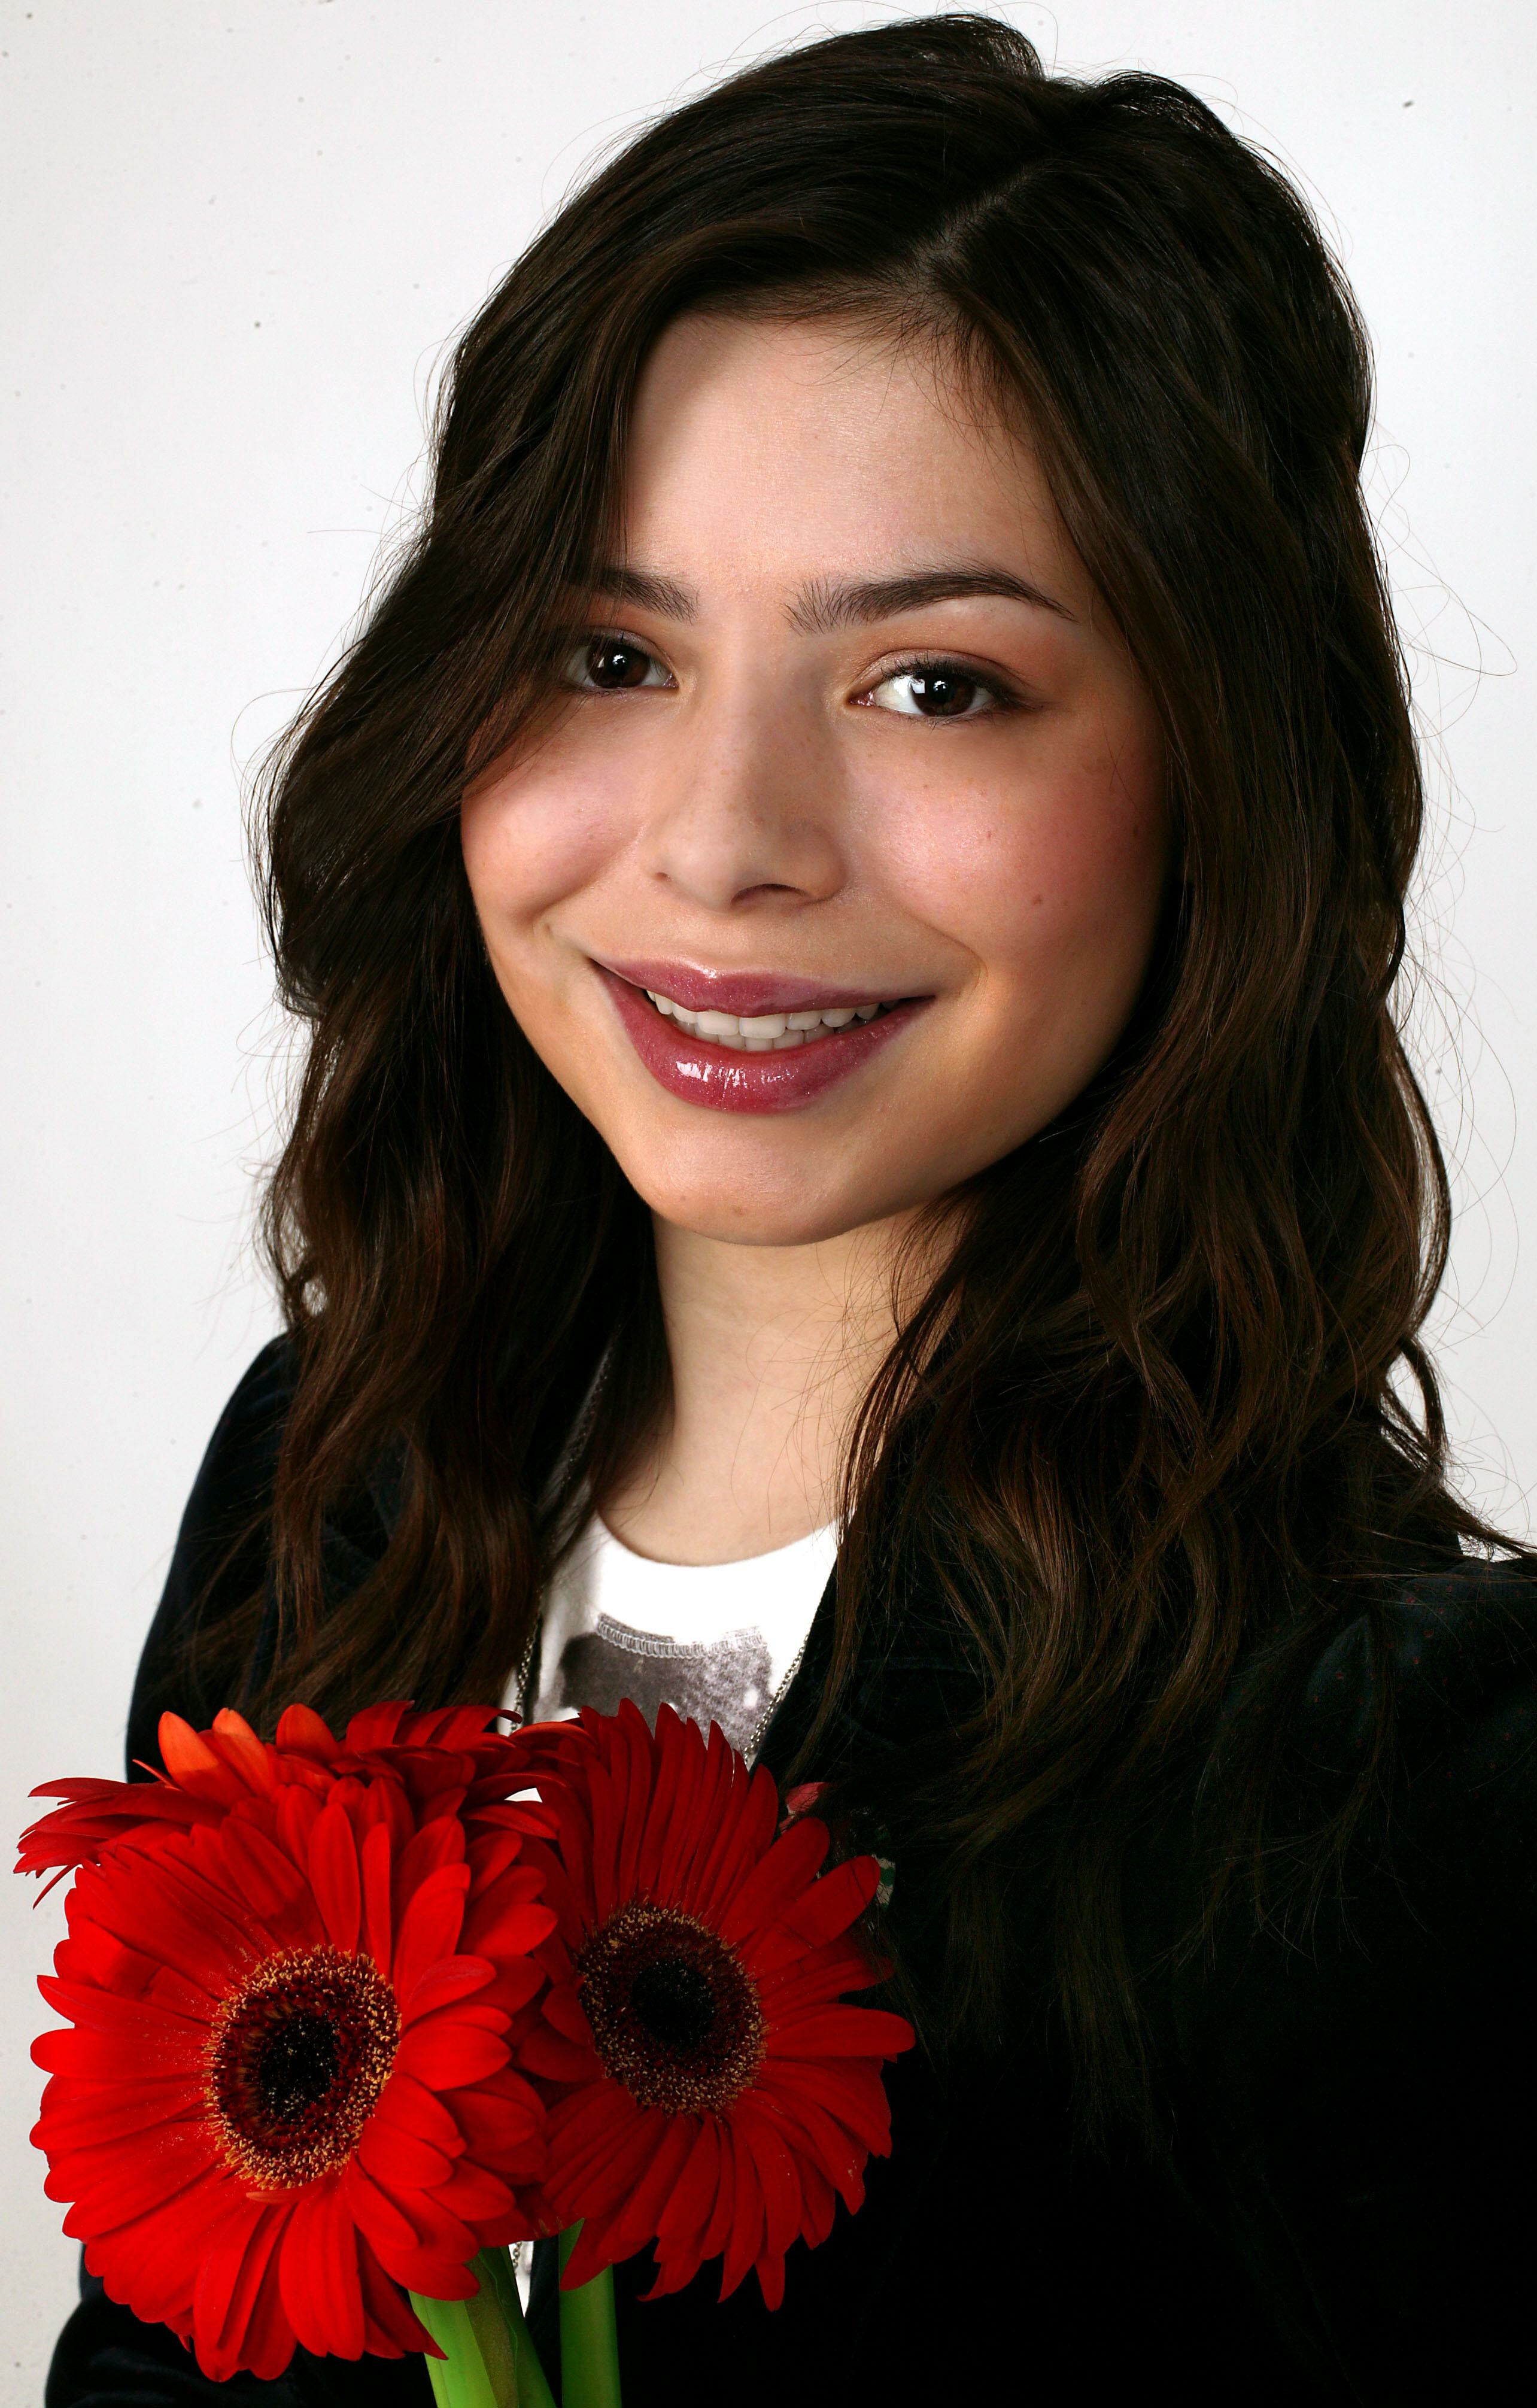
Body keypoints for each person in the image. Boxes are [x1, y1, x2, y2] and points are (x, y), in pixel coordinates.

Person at [46, 17, 1537, 2404]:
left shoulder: (1430, 1777)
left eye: (936, 685)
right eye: (607, 654)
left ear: (1224, 779)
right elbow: (169, 2330)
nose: (728, 839)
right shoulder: (326, 1483)